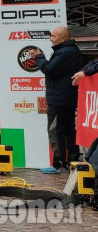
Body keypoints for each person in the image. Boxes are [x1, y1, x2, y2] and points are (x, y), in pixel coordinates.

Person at [32, 27, 84, 173]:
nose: (50, 38)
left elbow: (49, 70)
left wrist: (39, 57)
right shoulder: (68, 51)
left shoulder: (65, 52)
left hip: (59, 98)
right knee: (68, 129)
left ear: (63, 38)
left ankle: (59, 162)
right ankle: (72, 160)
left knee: (55, 130)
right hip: (66, 97)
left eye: (53, 36)